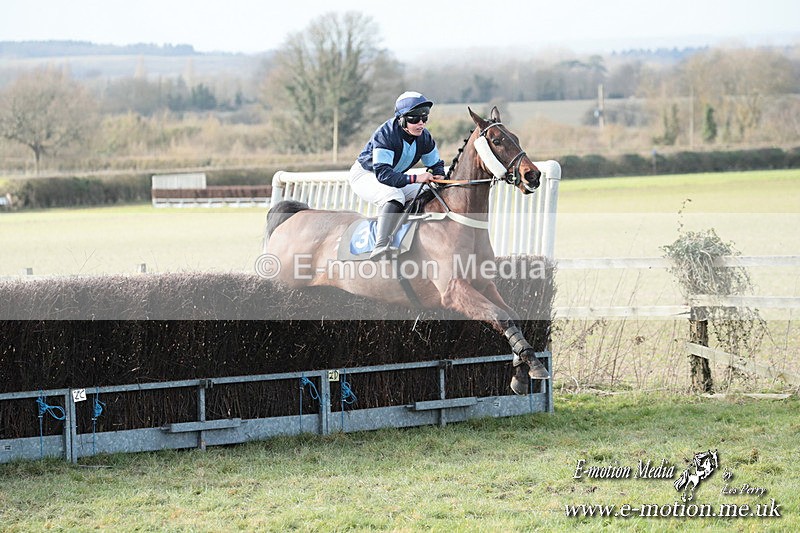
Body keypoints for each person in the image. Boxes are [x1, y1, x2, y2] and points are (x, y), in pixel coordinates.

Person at [350, 91, 446, 260]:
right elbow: (384, 175)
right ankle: (380, 245)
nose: (421, 123)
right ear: (401, 119)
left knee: (426, 192)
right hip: (366, 175)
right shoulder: (386, 135)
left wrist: (438, 175)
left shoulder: (424, 137)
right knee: (393, 196)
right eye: (414, 118)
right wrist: (416, 178)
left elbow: (436, 164)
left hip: (390, 176)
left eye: (425, 118)